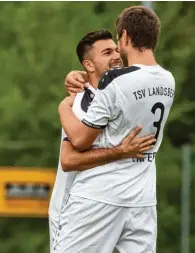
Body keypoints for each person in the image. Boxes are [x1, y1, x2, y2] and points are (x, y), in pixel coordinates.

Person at [54, 6, 175, 253]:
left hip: (99, 197)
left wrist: (63, 107)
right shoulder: (168, 80)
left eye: (117, 42)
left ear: (126, 36)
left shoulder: (114, 83)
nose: (118, 50)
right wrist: (83, 77)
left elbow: (79, 141)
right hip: (142, 200)